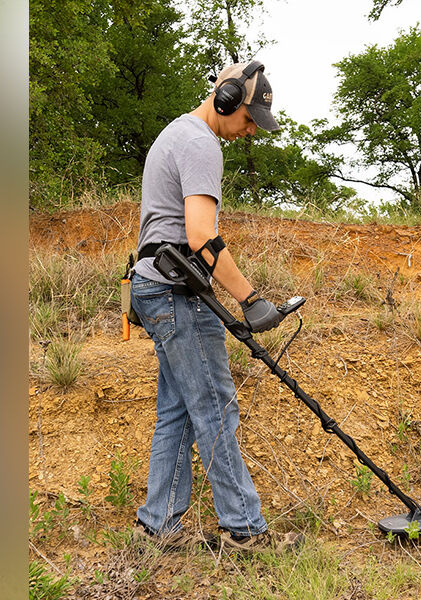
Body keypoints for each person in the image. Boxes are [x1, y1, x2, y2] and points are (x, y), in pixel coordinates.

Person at [129, 61, 301, 554]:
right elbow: (202, 236)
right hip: (176, 291)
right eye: (249, 119)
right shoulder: (202, 142)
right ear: (226, 99)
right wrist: (251, 299)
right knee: (216, 408)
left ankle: (157, 524)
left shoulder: (176, 134)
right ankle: (246, 529)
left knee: (179, 410)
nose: (250, 131)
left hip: (155, 286)